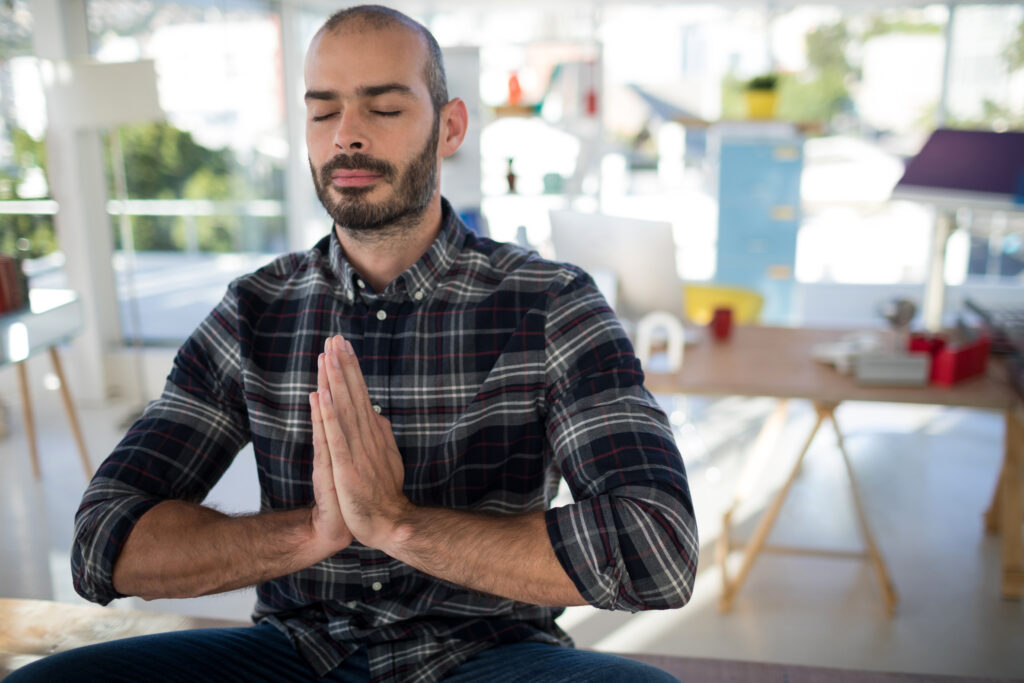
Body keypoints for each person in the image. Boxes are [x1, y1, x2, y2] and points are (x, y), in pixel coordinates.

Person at [10, 5, 697, 682]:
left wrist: (399, 524)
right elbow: (105, 539)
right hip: (294, 652)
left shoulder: (550, 303)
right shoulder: (256, 309)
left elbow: (658, 549)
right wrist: (311, 531)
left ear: (449, 126)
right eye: (322, 110)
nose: (347, 136)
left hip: (488, 656)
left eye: (384, 108)